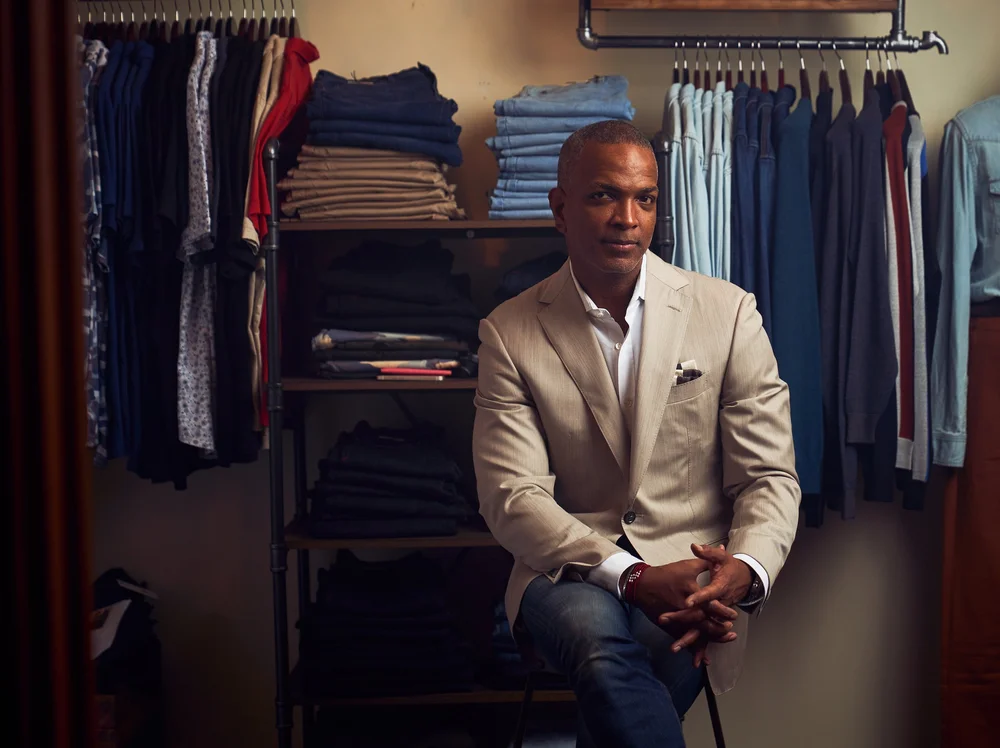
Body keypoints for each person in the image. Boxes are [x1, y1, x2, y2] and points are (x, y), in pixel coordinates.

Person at [472, 120, 800, 748]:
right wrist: (629, 576)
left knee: (635, 668)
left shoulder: (729, 313)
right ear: (560, 208)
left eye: (644, 198)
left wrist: (746, 568)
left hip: (694, 573)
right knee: (596, 642)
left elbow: (768, 476)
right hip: (566, 567)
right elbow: (512, 494)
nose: (627, 218)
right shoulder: (509, 332)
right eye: (604, 195)